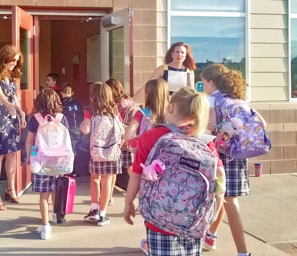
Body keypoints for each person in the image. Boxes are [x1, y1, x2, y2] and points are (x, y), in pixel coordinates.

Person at [123, 87, 226, 256]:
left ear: (170, 108)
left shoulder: (151, 136)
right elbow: (220, 176)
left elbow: (136, 174)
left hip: (158, 218)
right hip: (194, 218)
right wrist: (216, 208)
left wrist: (128, 204)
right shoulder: (204, 141)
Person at [201, 64, 261, 256]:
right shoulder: (240, 100)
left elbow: (208, 125)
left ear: (211, 82)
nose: (203, 87)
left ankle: (243, 252)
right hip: (238, 154)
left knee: (227, 200)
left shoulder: (212, 101)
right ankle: (211, 235)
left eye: (203, 83)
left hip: (220, 154)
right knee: (226, 198)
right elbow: (263, 123)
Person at [25, 88, 70, 240]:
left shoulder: (35, 119)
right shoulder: (62, 118)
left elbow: (30, 141)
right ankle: (56, 215)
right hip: (59, 162)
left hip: (41, 162)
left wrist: (31, 157)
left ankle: (45, 227)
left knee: (44, 196)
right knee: (56, 189)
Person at [0, 45, 27, 211]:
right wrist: (9, 105)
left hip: (11, 118)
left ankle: (11, 189)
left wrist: (21, 113)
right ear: (4, 58)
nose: (14, 63)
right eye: (12, 60)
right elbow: (0, 95)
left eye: (17, 61)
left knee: (12, 154)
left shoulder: (12, 76)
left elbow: (15, 98)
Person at [80, 82, 123, 226]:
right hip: (111, 152)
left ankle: (94, 209)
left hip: (97, 151)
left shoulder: (89, 111)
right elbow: (120, 129)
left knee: (95, 179)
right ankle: (103, 214)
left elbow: (86, 129)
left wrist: (82, 126)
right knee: (107, 181)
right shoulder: (114, 111)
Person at [105, 78, 137, 205]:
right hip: (130, 140)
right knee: (131, 169)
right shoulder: (129, 101)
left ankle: (109, 196)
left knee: (115, 170)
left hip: (121, 141)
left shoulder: (118, 105)